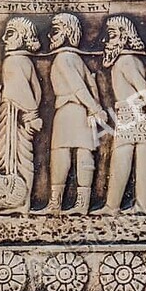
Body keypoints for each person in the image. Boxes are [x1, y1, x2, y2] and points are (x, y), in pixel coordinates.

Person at [97, 16, 146, 214]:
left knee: (123, 157)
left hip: (132, 112)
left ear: (124, 37)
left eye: (111, 36)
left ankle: (114, 205)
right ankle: (143, 205)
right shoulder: (132, 60)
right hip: (136, 112)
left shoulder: (126, 61)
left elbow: (142, 85)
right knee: (142, 157)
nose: (105, 41)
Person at [42, 12, 104, 214]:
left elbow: (79, 87)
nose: (51, 36)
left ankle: (56, 203)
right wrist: (94, 107)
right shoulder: (77, 58)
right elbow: (92, 85)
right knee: (84, 152)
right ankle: (82, 203)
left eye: (55, 31)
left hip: (69, 109)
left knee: (61, 154)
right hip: (81, 110)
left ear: (67, 31)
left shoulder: (63, 58)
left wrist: (96, 109)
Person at [0, 17, 43, 212]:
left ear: (22, 37)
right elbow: (36, 90)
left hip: (15, 114)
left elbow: (22, 91)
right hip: (20, 113)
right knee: (23, 157)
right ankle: (23, 202)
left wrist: (31, 115)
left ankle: (20, 202)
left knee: (16, 159)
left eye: (11, 33)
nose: (5, 38)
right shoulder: (25, 60)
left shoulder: (13, 60)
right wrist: (33, 111)